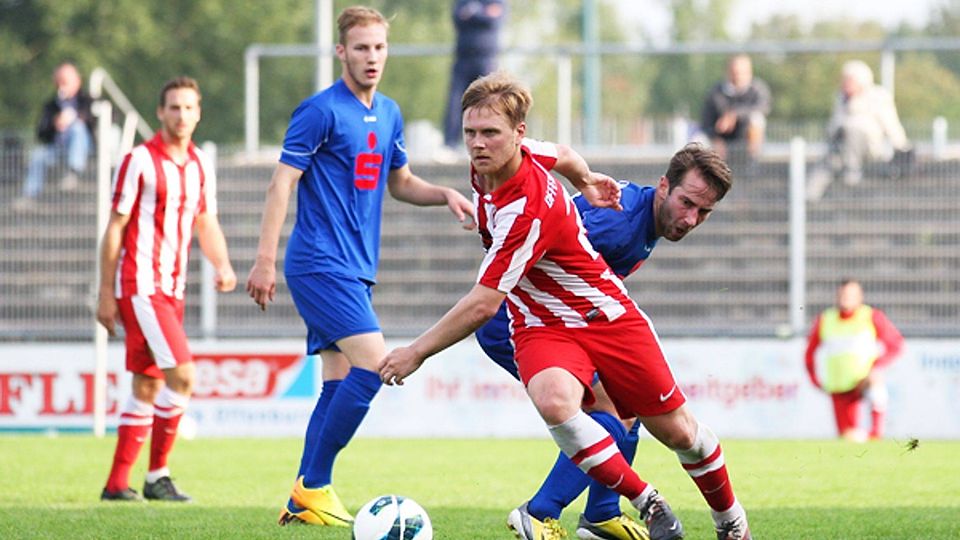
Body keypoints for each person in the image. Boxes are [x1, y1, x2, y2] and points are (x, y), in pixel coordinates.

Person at [379, 71, 751, 540]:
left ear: (518, 137)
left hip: (568, 312)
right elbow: (495, 293)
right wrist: (415, 352)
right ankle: (551, 510)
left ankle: (670, 519)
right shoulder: (603, 225)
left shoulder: (523, 160)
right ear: (663, 187)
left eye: (489, 133)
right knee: (602, 412)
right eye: (470, 133)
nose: (476, 144)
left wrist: (586, 179)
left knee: (665, 428)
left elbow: (564, 156)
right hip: (525, 316)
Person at [244, 6, 475, 528]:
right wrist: (264, 260)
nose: (372, 57)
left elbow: (400, 182)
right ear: (341, 52)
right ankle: (314, 485)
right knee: (374, 365)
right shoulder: (319, 111)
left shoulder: (389, 112)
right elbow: (282, 183)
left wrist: (443, 195)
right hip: (318, 262)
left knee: (339, 376)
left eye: (379, 48)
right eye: (362, 48)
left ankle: (304, 495)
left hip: (355, 268)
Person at [476, 144, 730, 540]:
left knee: (625, 407)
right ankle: (540, 513)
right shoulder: (618, 225)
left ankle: (601, 513)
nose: (691, 218)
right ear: (664, 186)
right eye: (686, 203)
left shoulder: (641, 215)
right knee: (611, 411)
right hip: (517, 319)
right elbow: (544, 256)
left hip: (561, 318)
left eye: (703, 212)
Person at [97, 76, 236, 502]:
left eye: (189, 108)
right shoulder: (138, 160)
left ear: (199, 113)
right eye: (173, 107)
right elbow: (116, 227)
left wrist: (223, 264)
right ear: (160, 112)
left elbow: (205, 221)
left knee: (147, 385)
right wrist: (105, 291)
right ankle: (158, 475)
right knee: (184, 375)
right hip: (140, 285)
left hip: (172, 289)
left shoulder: (199, 165)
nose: (181, 115)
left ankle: (117, 484)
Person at [804, 278, 904, 442]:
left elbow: (896, 344)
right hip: (839, 386)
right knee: (848, 438)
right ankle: (865, 440)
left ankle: (876, 433)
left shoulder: (871, 316)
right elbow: (809, 353)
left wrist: (876, 366)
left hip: (862, 380)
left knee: (876, 384)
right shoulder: (826, 319)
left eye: (851, 294)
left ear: (860, 296)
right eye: (843, 294)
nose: (846, 298)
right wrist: (814, 379)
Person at [807, 60, 912, 200]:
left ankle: (852, 173)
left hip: (869, 149)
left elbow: (891, 123)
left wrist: (901, 145)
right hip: (842, 149)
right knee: (825, 165)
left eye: (850, 80)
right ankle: (807, 198)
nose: (845, 83)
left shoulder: (878, 96)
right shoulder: (841, 98)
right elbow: (833, 124)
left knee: (853, 130)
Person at [14, 61, 94, 211]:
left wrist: (76, 117)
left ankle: (73, 172)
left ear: (77, 81)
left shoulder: (88, 100)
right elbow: (41, 133)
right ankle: (29, 195)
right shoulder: (51, 106)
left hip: (85, 148)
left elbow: (99, 120)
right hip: (58, 149)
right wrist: (54, 124)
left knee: (77, 128)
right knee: (38, 155)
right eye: (59, 81)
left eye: (66, 81)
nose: (62, 85)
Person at [436, 0, 507, 163]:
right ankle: (450, 145)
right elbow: (457, 18)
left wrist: (474, 13)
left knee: (490, 103)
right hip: (462, 58)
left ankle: (492, 145)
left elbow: (494, 20)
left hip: (486, 59)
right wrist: (482, 14)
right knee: (455, 102)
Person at [700, 54, 770, 165]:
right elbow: (706, 122)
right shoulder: (716, 92)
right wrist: (715, 138)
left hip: (746, 138)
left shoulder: (758, 89)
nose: (739, 76)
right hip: (722, 141)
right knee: (698, 140)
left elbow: (763, 107)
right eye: (735, 72)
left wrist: (734, 114)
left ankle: (754, 159)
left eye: (743, 72)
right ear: (728, 72)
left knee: (757, 118)